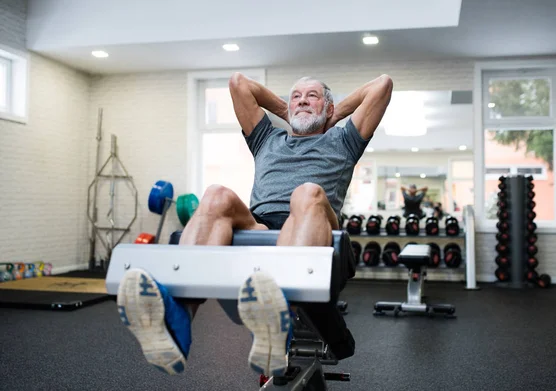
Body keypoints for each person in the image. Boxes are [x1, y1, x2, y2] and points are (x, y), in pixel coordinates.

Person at [116, 72, 393, 376]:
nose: (301, 99)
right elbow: (238, 84)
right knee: (216, 194)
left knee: (306, 192)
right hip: (260, 228)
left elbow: (382, 85)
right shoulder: (267, 138)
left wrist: (334, 114)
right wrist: (288, 110)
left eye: (312, 96)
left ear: (327, 107)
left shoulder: (343, 140)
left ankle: (278, 322)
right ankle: (177, 323)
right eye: (295, 96)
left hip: (314, 223)